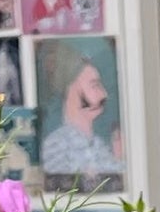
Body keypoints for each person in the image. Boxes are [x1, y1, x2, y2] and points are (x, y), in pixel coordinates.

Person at [39, 48, 119, 180]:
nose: (104, 94)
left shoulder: (99, 145)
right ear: (71, 91)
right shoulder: (55, 146)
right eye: (95, 86)